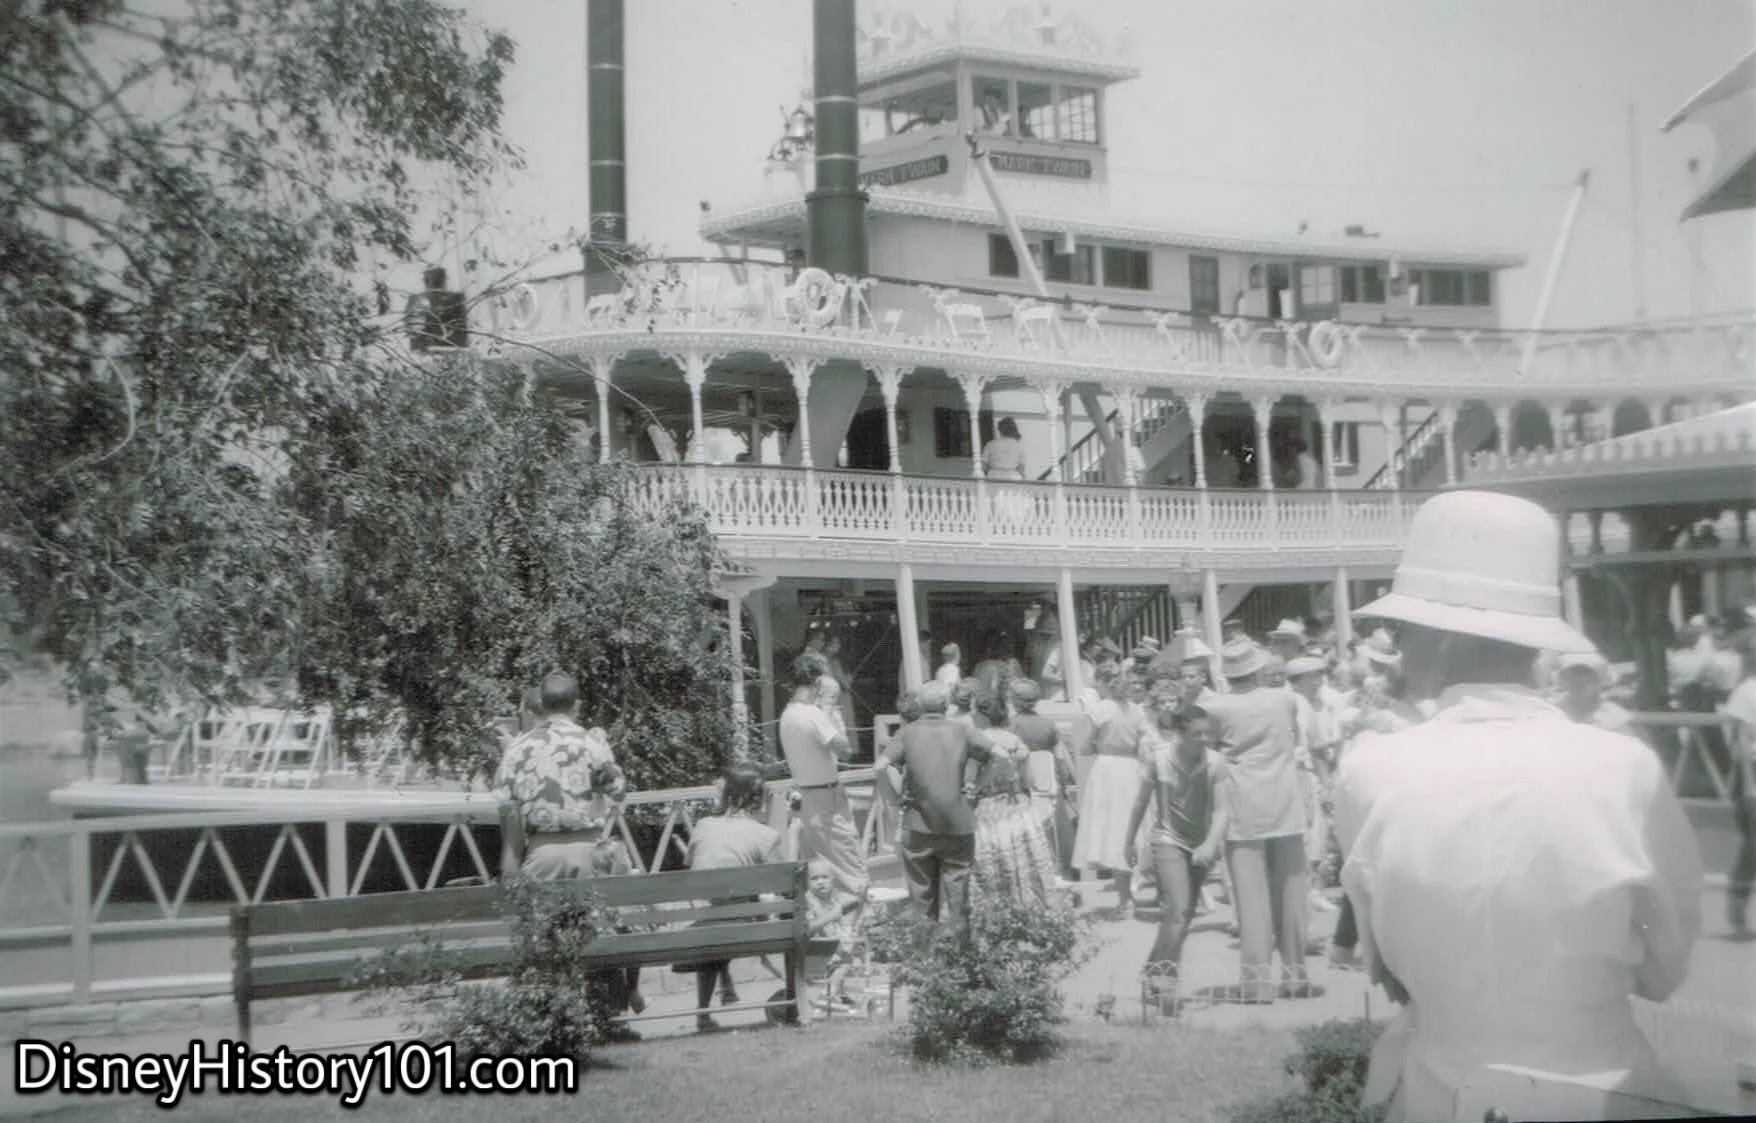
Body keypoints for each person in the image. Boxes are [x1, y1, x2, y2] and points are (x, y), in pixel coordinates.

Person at [1333, 490, 1703, 1121]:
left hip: (1439, 1096)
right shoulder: (1622, 768)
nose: (1397, 649)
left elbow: (1389, 971)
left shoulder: (1371, 770)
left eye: (1403, 630)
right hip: (1606, 1093)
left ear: (1443, 639)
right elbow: (1666, 968)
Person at [496, 671, 644, 1039]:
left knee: (545, 938)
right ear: (577, 705)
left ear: (541, 705)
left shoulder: (518, 746)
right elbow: (619, 790)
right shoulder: (591, 743)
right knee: (595, 934)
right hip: (588, 849)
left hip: (540, 852)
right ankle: (601, 1020)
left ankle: (549, 1022)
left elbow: (504, 801)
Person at [1204, 637, 1316, 1003]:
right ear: (1256, 668)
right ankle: (1296, 976)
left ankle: (1256, 983)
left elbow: (1210, 747)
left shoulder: (1214, 706)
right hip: (1284, 798)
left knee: (1251, 900)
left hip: (1242, 802)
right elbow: (1294, 737)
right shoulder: (1284, 699)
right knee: (1292, 893)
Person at [1125, 702, 1229, 1011]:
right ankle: (1166, 984)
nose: (1204, 740)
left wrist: (1210, 844)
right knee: (1178, 910)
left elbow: (1223, 811)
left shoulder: (1216, 762)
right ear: (1179, 734)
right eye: (1197, 734)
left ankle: (1151, 972)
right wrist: (1128, 841)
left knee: (1181, 918)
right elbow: (1140, 803)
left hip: (1200, 843)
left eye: (1207, 734)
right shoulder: (1160, 760)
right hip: (1168, 839)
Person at [679, 763, 790, 1034]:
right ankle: (795, 997)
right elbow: (785, 884)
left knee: (718, 917)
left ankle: (703, 1015)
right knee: (781, 916)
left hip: (707, 928)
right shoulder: (764, 834)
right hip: (745, 927)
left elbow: (689, 863)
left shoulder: (703, 826)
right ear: (756, 798)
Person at [878, 681, 991, 926]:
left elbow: (881, 765)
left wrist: (895, 797)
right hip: (957, 821)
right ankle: (962, 958)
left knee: (921, 897)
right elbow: (1000, 756)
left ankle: (926, 958)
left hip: (918, 821)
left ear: (919, 705)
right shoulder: (962, 730)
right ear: (946, 704)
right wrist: (978, 786)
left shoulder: (907, 732)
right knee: (959, 896)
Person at [778, 655, 868, 899]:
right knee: (852, 868)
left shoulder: (787, 715)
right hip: (825, 798)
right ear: (817, 682)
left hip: (808, 796)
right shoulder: (812, 715)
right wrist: (828, 710)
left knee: (827, 872)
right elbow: (844, 748)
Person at [966, 690, 1059, 910]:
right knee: (1024, 861)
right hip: (1018, 805)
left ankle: (998, 913)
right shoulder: (1015, 740)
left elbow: (970, 780)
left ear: (983, 715)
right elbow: (1029, 779)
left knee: (993, 863)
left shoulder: (979, 742)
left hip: (989, 807)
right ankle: (1030, 910)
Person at [1073, 666, 1149, 918]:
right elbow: (1143, 744)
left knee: (1113, 831)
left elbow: (1084, 747)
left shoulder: (1100, 710)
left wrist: (1094, 743)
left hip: (1107, 769)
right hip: (1131, 767)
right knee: (1129, 828)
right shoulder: (1138, 711)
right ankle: (1131, 894)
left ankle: (1124, 900)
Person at [1011, 678, 1079, 877]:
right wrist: (1065, 780)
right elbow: (1060, 756)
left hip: (1024, 772)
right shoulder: (1048, 724)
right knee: (1049, 821)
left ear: (1015, 701)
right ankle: (1054, 864)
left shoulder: (1013, 724)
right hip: (1046, 775)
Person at [1722, 628, 1756, 940]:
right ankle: (1737, 902)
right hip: (1754, 773)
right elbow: (1743, 742)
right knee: (1754, 846)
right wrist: (1748, 785)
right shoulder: (1747, 691)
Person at [805, 858, 863, 1014]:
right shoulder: (809, 902)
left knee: (848, 946)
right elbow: (808, 929)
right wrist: (831, 916)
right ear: (807, 883)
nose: (820, 882)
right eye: (814, 879)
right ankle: (830, 994)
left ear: (833, 880)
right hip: (813, 948)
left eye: (825, 877)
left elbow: (852, 903)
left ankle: (838, 993)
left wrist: (860, 897)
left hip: (829, 946)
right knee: (845, 961)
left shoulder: (834, 898)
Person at [1553, 650, 1633, 735]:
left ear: (1600, 682)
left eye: (1586, 682)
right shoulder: (1553, 709)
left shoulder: (1614, 717)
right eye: (1571, 680)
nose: (1577, 686)